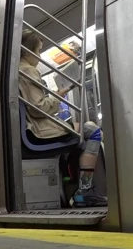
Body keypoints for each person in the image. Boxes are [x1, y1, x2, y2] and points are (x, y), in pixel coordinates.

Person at [18, 29, 107, 207]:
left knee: (82, 135)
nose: (39, 56)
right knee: (94, 131)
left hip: (36, 127)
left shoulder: (19, 70)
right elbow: (39, 108)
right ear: (27, 52)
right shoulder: (28, 70)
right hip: (39, 131)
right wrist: (59, 95)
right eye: (38, 51)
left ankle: (75, 188)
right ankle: (85, 191)